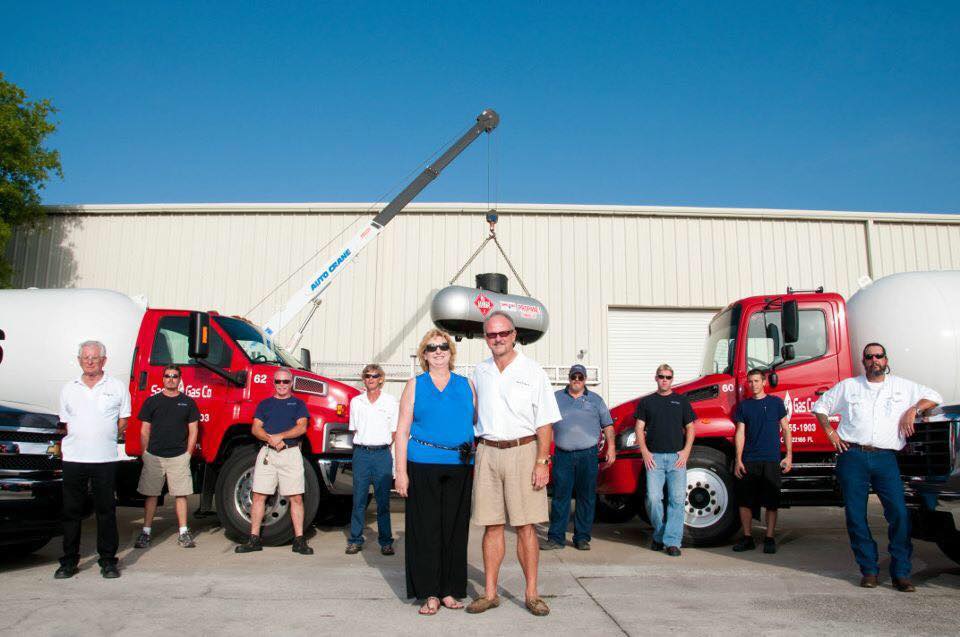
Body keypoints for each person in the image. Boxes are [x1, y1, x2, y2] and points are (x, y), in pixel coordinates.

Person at [813, 342, 941, 592]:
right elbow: (820, 407)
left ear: (886, 359)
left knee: (899, 514)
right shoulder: (850, 387)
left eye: (878, 356)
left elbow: (935, 397)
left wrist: (913, 410)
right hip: (853, 456)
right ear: (863, 362)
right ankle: (869, 570)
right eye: (869, 357)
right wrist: (829, 431)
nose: (874, 360)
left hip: (886, 458)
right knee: (856, 515)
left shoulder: (902, 387)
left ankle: (901, 573)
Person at [466, 311, 561, 618]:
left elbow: (545, 422)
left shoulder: (533, 371)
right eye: (491, 335)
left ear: (514, 333)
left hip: (524, 450)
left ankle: (532, 594)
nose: (498, 339)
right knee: (491, 525)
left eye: (503, 333)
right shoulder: (478, 372)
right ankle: (490, 593)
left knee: (525, 526)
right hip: (488, 451)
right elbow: (472, 414)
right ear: (485, 338)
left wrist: (541, 461)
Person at [394, 329, 476, 616]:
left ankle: (451, 590)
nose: (438, 351)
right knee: (426, 529)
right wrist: (400, 472)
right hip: (422, 463)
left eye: (443, 346)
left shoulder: (467, 384)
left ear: (451, 352)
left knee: (455, 529)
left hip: (460, 466)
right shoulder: (415, 385)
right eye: (432, 348)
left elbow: (476, 422)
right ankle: (429, 592)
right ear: (424, 354)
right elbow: (402, 431)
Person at [55, 340, 131, 579]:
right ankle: (68, 561)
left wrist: (102, 437)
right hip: (74, 458)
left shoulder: (117, 387)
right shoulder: (69, 388)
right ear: (79, 360)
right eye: (85, 357)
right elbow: (66, 423)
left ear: (103, 361)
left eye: (94, 358)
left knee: (106, 511)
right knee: (71, 512)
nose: (89, 361)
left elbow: (123, 421)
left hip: (104, 459)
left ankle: (108, 561)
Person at [235, 368, 314, 555]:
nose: (281, 385)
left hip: (290, 453)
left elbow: (301, 427)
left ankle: (299, 540)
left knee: (296, 497)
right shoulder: (265, 404)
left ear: (291, 383)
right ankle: (254, 539)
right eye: (278, 381)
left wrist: (281, 436)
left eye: (285, 381)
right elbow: (256, 428)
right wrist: (271, 439)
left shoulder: (298, 404)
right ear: (273, 383)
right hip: (268, 454)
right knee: (259, 496)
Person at [541, 363, 615, 551]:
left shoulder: (596, 400)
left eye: (580, 377)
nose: (576, 380)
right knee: (560, 497)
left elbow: (607, 426)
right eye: (574, 377)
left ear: (585, 380)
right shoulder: (556, 398)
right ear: (569, 378)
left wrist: (611, 447)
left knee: (586, 497)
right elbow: (546, 425)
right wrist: (544, 453)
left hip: (588, 455)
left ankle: (582, 537)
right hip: (563, 455)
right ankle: (556, 538)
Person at [134, 364, 200, 549]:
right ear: (163, 379)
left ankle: (183, 533)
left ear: (180, 379)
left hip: (179, 456)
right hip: (154, 456)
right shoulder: (152, 401)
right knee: (151, 495)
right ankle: (145, 532)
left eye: (175, 376)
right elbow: (144, 430)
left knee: (181, 495)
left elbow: (193, 430)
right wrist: (145, 452)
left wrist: (188, 453)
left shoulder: (188, 402)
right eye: (168, 376)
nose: (171, 379)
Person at [634, 363, 695, 557]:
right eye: (661, 376)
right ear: (656, 378)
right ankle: (660, 534)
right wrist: (645, 452)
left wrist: (685, 452)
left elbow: (691, 428)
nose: (664, 380)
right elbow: (638, 428)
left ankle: (672, 542)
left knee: (677, 500)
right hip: (655, 459)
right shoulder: (647, 402)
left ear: (672, 379)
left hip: (677, 458)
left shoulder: (682, 401)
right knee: (653, 499)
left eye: (668, 377)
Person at [732, 368, 792, 554]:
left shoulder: (775, 403)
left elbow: (786, 429)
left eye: (756, 381)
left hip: (771, 459)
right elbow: (740, 433)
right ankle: (748, 537)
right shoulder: (744, 406)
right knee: (745, 502)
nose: (753, 385)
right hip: (750, 459)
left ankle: (769, 538)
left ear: (764, 382)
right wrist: (738, 459)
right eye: (750, 382)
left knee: (771, 502)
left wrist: (788, 455)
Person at [345, 363, 399, 556]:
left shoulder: (391, 402)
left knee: (383, 501)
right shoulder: (356, 402)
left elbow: (394, 430)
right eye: (367, 376)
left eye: (375, 376)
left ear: (381, 379)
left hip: (382, 455)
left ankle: (385, 541)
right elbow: (354, 429)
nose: (370, 379)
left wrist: (381, 445)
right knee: (359, 499)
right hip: (361, 454)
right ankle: (355, 539)